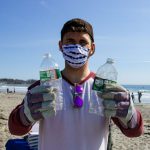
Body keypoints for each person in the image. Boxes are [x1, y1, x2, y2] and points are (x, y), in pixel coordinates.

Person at [8, 18, 143, 150]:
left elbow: (134, 131)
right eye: (70, 41)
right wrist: (25, 114)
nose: (77, 47)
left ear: (92, 48)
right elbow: (15, 128)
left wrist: (130, 114)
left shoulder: (103, 87)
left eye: (83, 42)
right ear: (61, 46)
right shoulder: (45, 86)